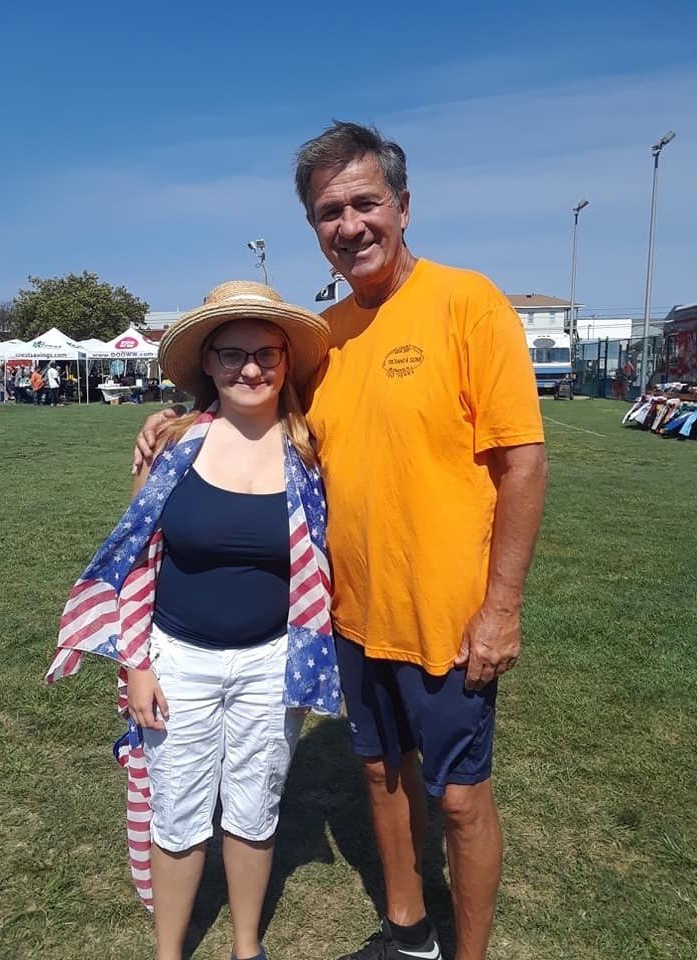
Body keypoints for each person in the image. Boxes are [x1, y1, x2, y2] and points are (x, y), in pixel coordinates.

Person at [134, 122, 548, 960]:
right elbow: (255, 410)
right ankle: (407, 931)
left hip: (448, 613)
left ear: (402, 204)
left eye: (365, 202)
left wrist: (501, 608)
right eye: (330, 211)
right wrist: (172, 423)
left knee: (462, 800)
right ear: (315, 230)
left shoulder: (469, 303)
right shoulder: (324, 341)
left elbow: (525, 464)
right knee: (379, 774)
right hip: (349, 617)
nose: (350, 224)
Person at [47, 281, 339, 960]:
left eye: (265, 353)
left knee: (254, 811)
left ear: (284, 360)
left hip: (271, 663)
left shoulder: (309, 449)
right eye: (232, 354)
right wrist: (136, 664)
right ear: (208, 363)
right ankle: (168, 952)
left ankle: (245, 948)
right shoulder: (173, 442)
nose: (250, 369)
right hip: (178, 663)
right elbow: (136, 559)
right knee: (177, 818)